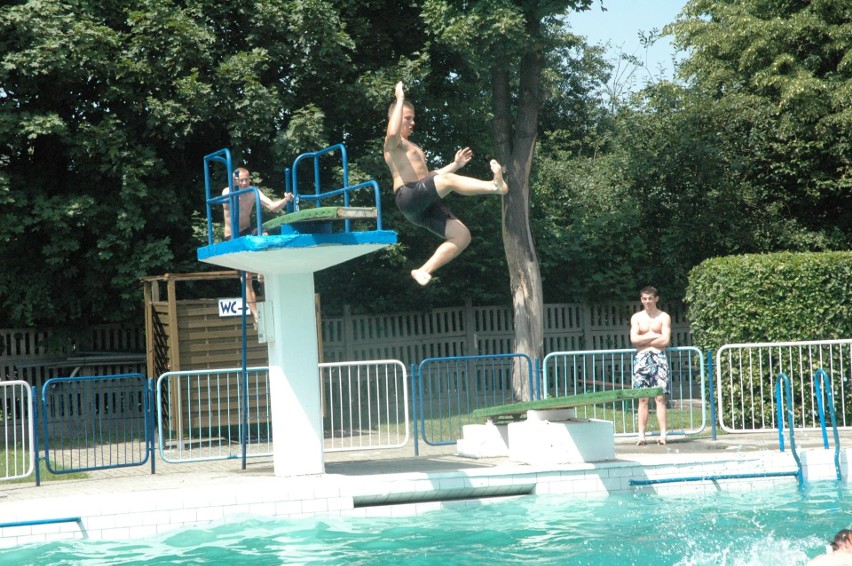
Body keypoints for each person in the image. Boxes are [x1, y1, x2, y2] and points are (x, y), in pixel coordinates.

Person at [383, 81, 508, 286]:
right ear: (395, 118)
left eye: (413, 118)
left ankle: (423, 270)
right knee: (446, 182)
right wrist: (400, 99)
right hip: (408, 196)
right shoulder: (392, 144)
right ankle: (494, 186)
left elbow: (431, 176)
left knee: (462, 236)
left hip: (422, 205)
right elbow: (392, 133)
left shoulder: (413, 146)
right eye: (408, 118)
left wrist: (455, 164)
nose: (412, 122)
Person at [222, 167, 293, 322]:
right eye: (241, 180)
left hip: (246, 229)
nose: (244, 183)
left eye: (247, 179)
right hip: (232, 235)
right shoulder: (228, 192)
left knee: (264, 235)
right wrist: (235, 188)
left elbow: (273, 207)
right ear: (235, 180)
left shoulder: (253, 191)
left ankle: (261, 270)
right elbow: (227, 205)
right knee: (246, 277)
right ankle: (255, 314)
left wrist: (286, 200)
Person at [630, 285, 672, 446]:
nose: (647, 301)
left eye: (650, 298)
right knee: (642, 398)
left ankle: (663, 435)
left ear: (656, 299)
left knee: (660, 398)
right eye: (644, 298)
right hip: (641, 359)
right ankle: (641, 435)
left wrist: (645, 338)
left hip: (659, 358)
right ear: (641, 299)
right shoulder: (637, 318)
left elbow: (665, 341)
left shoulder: (663, 317)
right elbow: (634, 340)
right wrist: (654, 335)